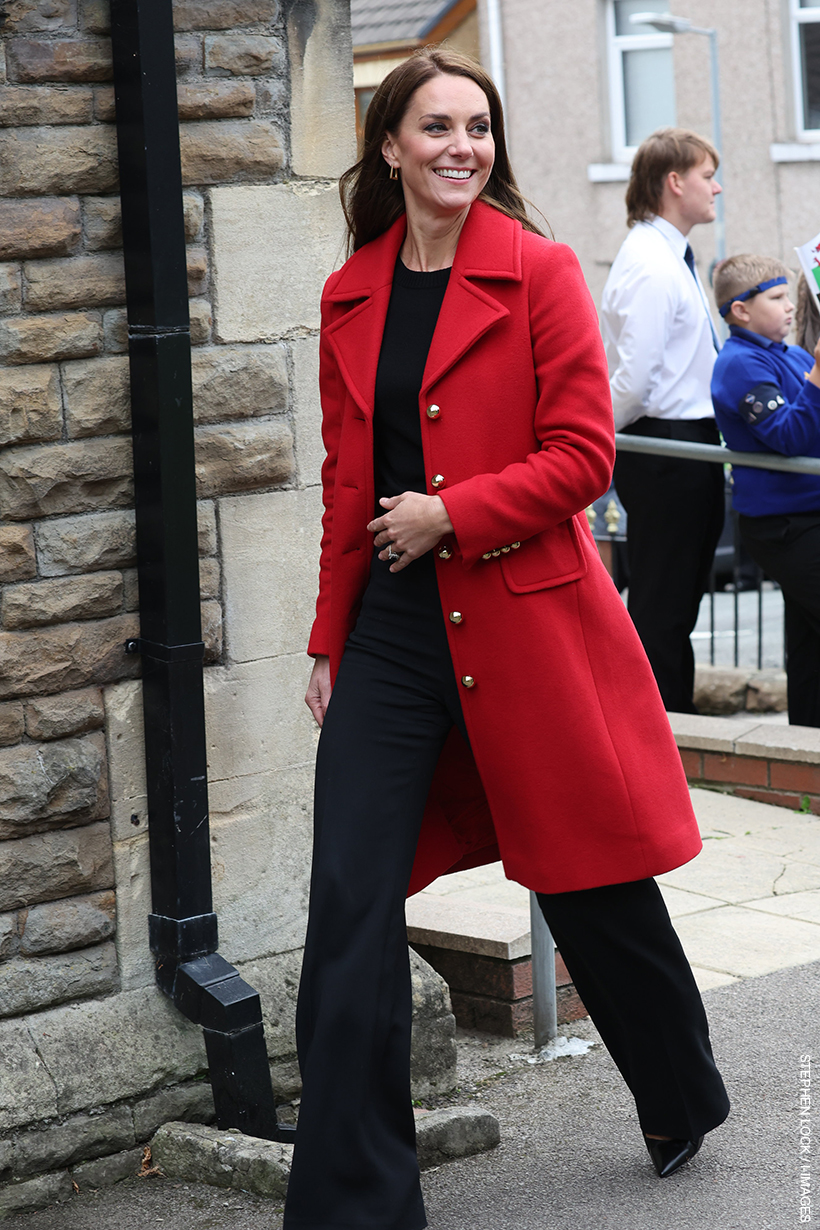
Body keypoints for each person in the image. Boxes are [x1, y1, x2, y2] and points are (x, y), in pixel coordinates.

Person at [285, 50, 729, 1230]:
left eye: (478, 127)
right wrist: (326, 639)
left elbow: (585, 455)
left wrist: (453, 512)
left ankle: (680, 1088)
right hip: (389, 632)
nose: (461, 147)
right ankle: (352, 1202)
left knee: (589, 882)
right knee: (350, 902)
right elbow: (346, 485)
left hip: (525, 621)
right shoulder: (351, 290)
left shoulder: (536, 273)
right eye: (435, 127)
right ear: (390, 145)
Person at [601, 128, 725, 714]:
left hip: (683, 443)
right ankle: (660, 730)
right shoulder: (652, 264)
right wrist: (600, 437)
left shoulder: (668, 255)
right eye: (707, 175)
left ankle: (675, 722)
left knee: (678, 602)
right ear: (674, 183)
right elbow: (635, 381)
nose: (716, 187)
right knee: (663, 601)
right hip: (665, 446)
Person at [711, 255, 820, 725]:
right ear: (741, 311)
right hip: (785, 527)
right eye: (776, 298)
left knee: (808, 641)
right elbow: (789, 436)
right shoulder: (739, 365)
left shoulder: (792, 355)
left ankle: (805, 747)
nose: (789, 307)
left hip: (807, 518)